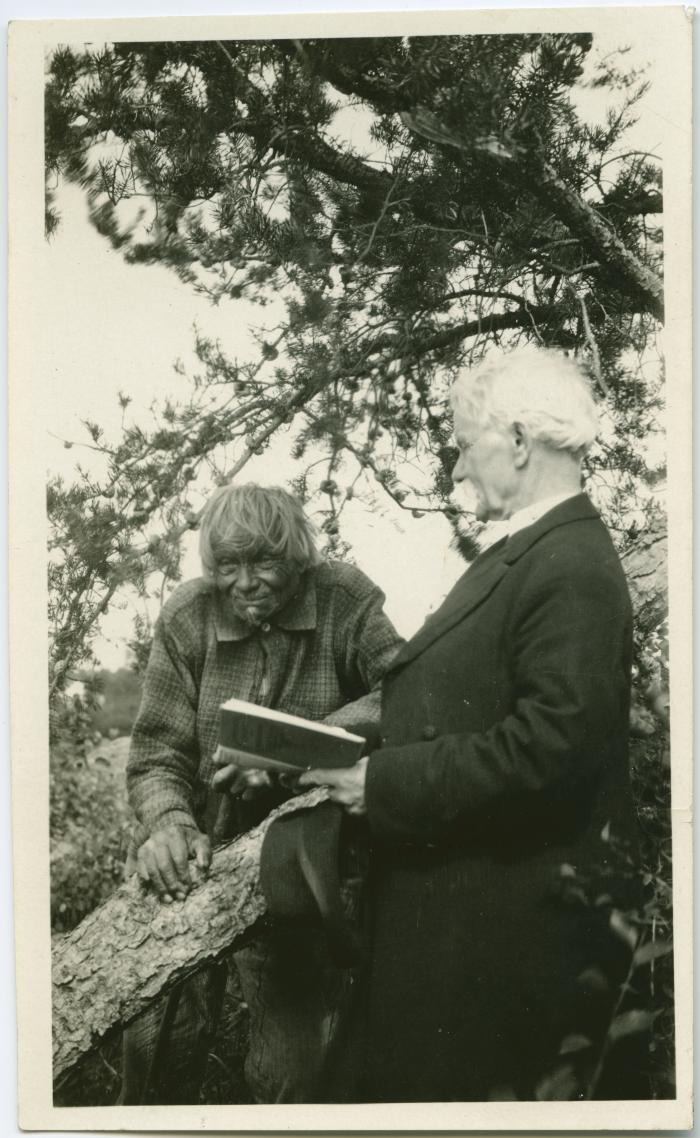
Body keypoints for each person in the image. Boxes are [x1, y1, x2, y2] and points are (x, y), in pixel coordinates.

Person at [300, 344, 647, 1101]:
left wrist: (384, 786)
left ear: (520, 441)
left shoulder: (571, 564)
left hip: (501, 952)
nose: (455, 469)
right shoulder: (530, 554)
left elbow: (554, 752)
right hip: (463, 938)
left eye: (464, 444)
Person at [121, 482, 402, 1104]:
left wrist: (292, 755)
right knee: (156, 1045)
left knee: (294, 1072)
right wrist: (168, 821)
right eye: (228, 566)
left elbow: (406, 692)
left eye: (264, 562)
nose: (245, 582)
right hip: (197, 857)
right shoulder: (188, 616)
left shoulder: (342, 598)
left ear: (297, 558)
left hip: (303, 863)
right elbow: (156, 752)